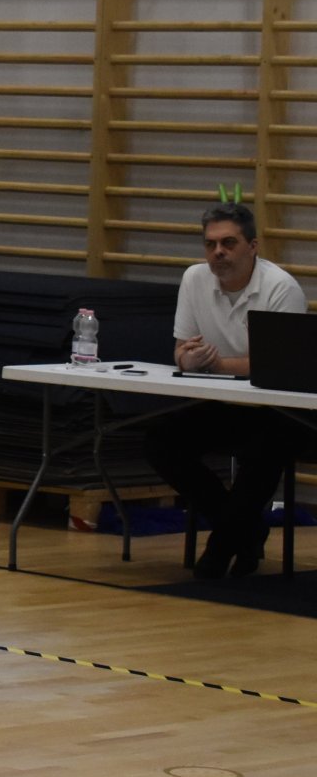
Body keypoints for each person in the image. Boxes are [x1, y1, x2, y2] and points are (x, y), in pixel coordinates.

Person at [144, 201, 314, 579]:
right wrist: (187, 360)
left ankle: (220, 550)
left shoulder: (280, 288)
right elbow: (182, 348)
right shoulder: (194, 279)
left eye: (228, 243)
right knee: (159, 439)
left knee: (267, 450)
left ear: (252, 247)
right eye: (210, 244)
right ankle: (245, 530)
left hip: (282, 409)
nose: (218, 252)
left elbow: (273, 367)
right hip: (228, 401)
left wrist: (216, 364)